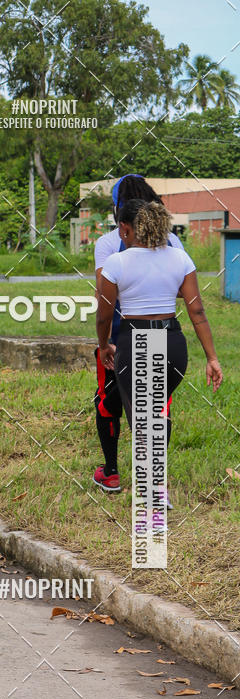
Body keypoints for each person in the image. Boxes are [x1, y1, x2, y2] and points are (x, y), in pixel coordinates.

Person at [96, 199, 222, 508]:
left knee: (142, 418)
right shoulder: (180, 258)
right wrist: (212, 358)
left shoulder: (116, 263)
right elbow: (197, 311)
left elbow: (103, 315)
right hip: (173, 343)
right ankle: (155, 488)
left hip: (135, 340)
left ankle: (152, 493)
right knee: (157, 412)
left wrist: (104, 345)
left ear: (126, 229)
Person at [92, 175, 184, 493]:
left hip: (119, 335)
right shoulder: (172, 242)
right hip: (162, 335)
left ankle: (111, 473)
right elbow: (182, 291)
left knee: (108, 400)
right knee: (158, 405)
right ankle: (154, 479)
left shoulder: (108, 243)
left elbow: (103, 294)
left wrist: (104, 341)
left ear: (120, 210)